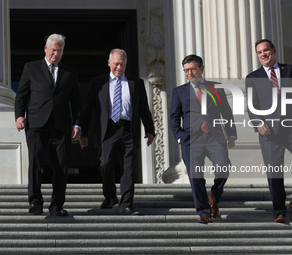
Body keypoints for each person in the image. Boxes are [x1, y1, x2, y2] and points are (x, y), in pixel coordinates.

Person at [245, 39, 292, 223]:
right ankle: (279, 211)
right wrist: (257, 123)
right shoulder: (252, 78)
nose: (263, 55)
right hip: (270, 132)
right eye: (259, 52)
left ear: (273, 50)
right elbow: (252, 106)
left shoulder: (291, 70)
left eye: (266, 50)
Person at [79, 49, 155, 215]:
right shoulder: (98, 83)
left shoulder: (136, 83)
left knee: (129, 169)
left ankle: (126, 204)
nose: (119, 67)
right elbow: (88, 110)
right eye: (116, 64)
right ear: (109, 63)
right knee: (105, 164)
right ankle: (110, 196)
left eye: (122, 64)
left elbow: (144, 109)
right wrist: (83, 132)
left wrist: (150, 130)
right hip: (108, 130)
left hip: (128, 130)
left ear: (126, 64)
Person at [15, 34, 82, 216]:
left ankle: (56, 206)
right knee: (36, 162)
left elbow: (76, 102)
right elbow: (21, 94)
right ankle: (35, 201)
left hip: (61, 126)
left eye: (60, 50)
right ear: (45, 48)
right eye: (53, 49)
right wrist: (20, 115)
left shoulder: (70, 73)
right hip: (36, 124)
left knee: (61, 166)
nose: (56, 53)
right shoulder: (31, 68)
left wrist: (77, 125)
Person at [169, 54, 237, 223]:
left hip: (215, 136)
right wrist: (179, 137)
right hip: (191, 140)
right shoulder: (179, 91)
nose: (190, 73)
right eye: (186, 70)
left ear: (201, 68)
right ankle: (204, 213)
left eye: (193, 69)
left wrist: (232, 134)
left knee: (223, 167)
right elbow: (174, 118)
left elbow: (226, 112)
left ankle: (213, 196)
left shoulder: (216, 87)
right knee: (196, 177)